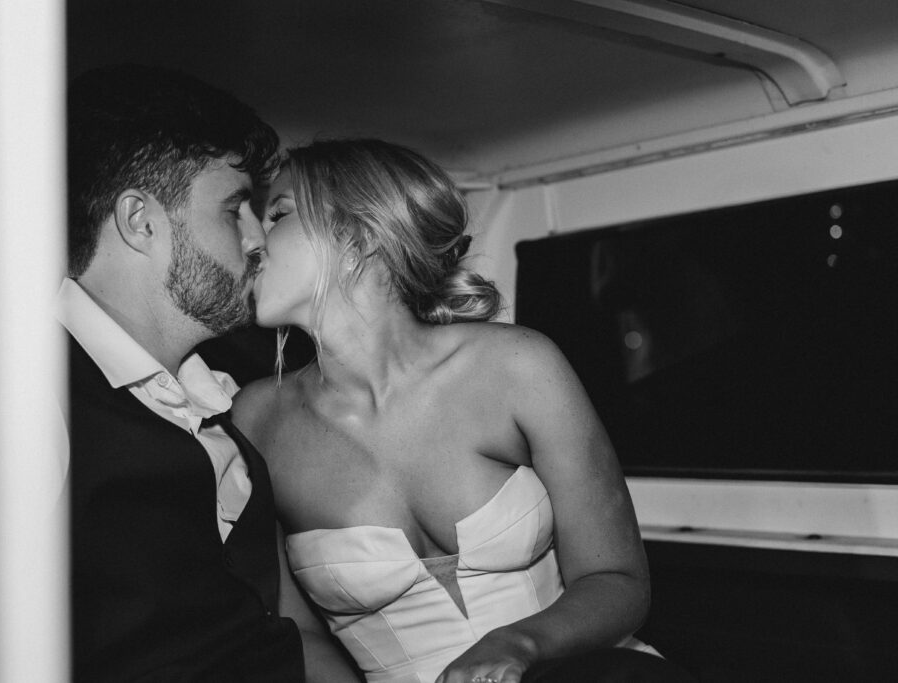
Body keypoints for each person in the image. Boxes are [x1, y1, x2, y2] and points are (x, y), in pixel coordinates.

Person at [233, 139, 692, 683]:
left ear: (358, 236)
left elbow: (617, 578)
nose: (251, 239)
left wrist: (519, 643)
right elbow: (294, 630)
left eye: (278, 214)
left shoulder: (518, 365)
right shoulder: (256, 420)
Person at [60, 64, 356, 682]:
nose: (258, 240)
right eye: (234, 209)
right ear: (140, 221)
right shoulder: (26, 398)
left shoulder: (227, 407)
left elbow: (292, 635)